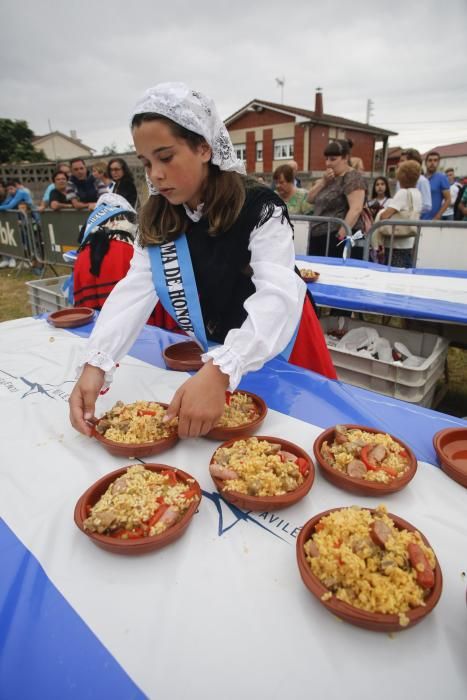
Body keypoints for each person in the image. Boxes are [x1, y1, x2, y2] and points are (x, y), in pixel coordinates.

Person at [69, 82, 336, 439]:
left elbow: (278, 295)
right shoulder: (160, 218)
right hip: (218, 358)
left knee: (298, 438)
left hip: (278, 344)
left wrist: (221, 370)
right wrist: (96, 363)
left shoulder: (259, 208)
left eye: (166, 157)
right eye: (146, 163)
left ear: (204, 148)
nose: (155, 175)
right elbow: (133, 292)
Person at [306, 139, 366, 258]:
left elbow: (356, 209)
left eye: (333, 159)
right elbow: (310, 198)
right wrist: (323, 182)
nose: (328, 163)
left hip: (337, 239)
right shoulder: (329, 178)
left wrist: (339, 238)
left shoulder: (353, 177)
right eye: (327, 159)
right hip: (319, 237)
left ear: (345, 158)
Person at [373, 160, 422, 268]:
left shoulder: (403, 193)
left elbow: (385, 215)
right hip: (409, 242)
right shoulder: (417, 193)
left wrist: (380, 212)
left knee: (393, 272)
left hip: (395, 244)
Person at [398, 149, 431, 216]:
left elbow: (427, 205)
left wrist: (408, 210)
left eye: (402, 161)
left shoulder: (422, 181)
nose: (399, 163)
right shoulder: (399, 180)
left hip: (413, 221)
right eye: (400, 161)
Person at [421, 151, 450, 220]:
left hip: (432, 220)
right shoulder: (421, 178)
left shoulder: (442, 178)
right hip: (417, 219)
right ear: (425, 163)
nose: (432, 163)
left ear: (438, 163)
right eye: (430, 160)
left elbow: (448, 200)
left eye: (435, 160)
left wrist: (437, 217)